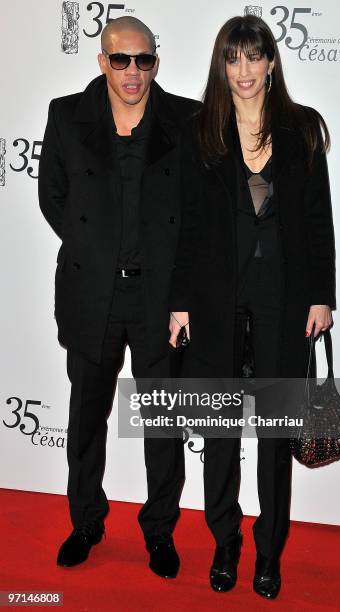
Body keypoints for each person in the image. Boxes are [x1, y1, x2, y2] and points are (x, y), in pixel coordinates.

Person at [169, 15, 336, 598]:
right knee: (219, 432)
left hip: (283, 303)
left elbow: (318, 219)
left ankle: (269, 552)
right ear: (222, 65)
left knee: (272, 435)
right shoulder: (200, 132)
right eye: (232, 58)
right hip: (217, 302)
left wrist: (323, 294)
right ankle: (225, 544)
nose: (243, 70)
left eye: (253, 57)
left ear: (271, 62)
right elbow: (186, 227)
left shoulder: (301, 130)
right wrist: (180, 303)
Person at [38, 16, 200, 577]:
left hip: (160, 299)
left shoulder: (187, 118)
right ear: (102, 61)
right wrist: (98, 250)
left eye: (144, 60)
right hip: (91, 293)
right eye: (121, 59)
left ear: (156, 61)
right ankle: (85, 522)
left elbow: (198, 209)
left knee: (163, 421)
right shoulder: (66, 115)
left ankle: (160, 531)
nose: (133, 72)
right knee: (86, 417)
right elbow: (52, 197)